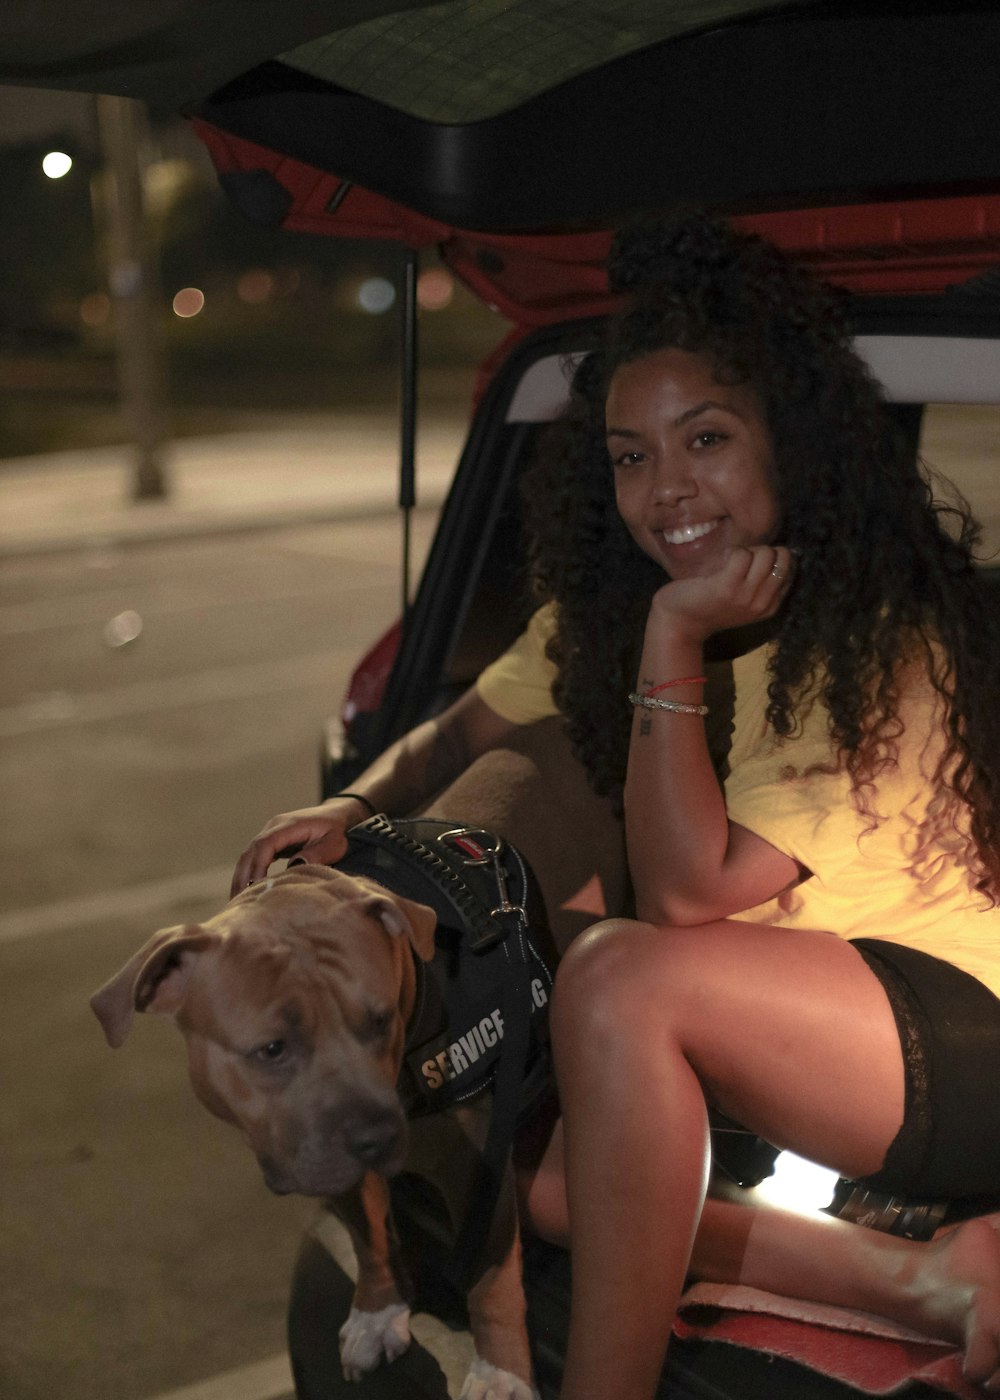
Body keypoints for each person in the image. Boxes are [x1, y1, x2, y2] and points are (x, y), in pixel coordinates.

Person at [233, 213, 1000, 1395]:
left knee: (615, 978)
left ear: (789, 446)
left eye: (706, 439)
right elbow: (459, 731)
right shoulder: (606, 618)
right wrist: (357, 805)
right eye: (630, 454)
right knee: (526, 1164)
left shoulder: (877, 633)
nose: (665, 487)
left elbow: (689, 897)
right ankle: (921, 1280)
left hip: (944, 1029)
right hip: (776, 1027)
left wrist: (673, 637)